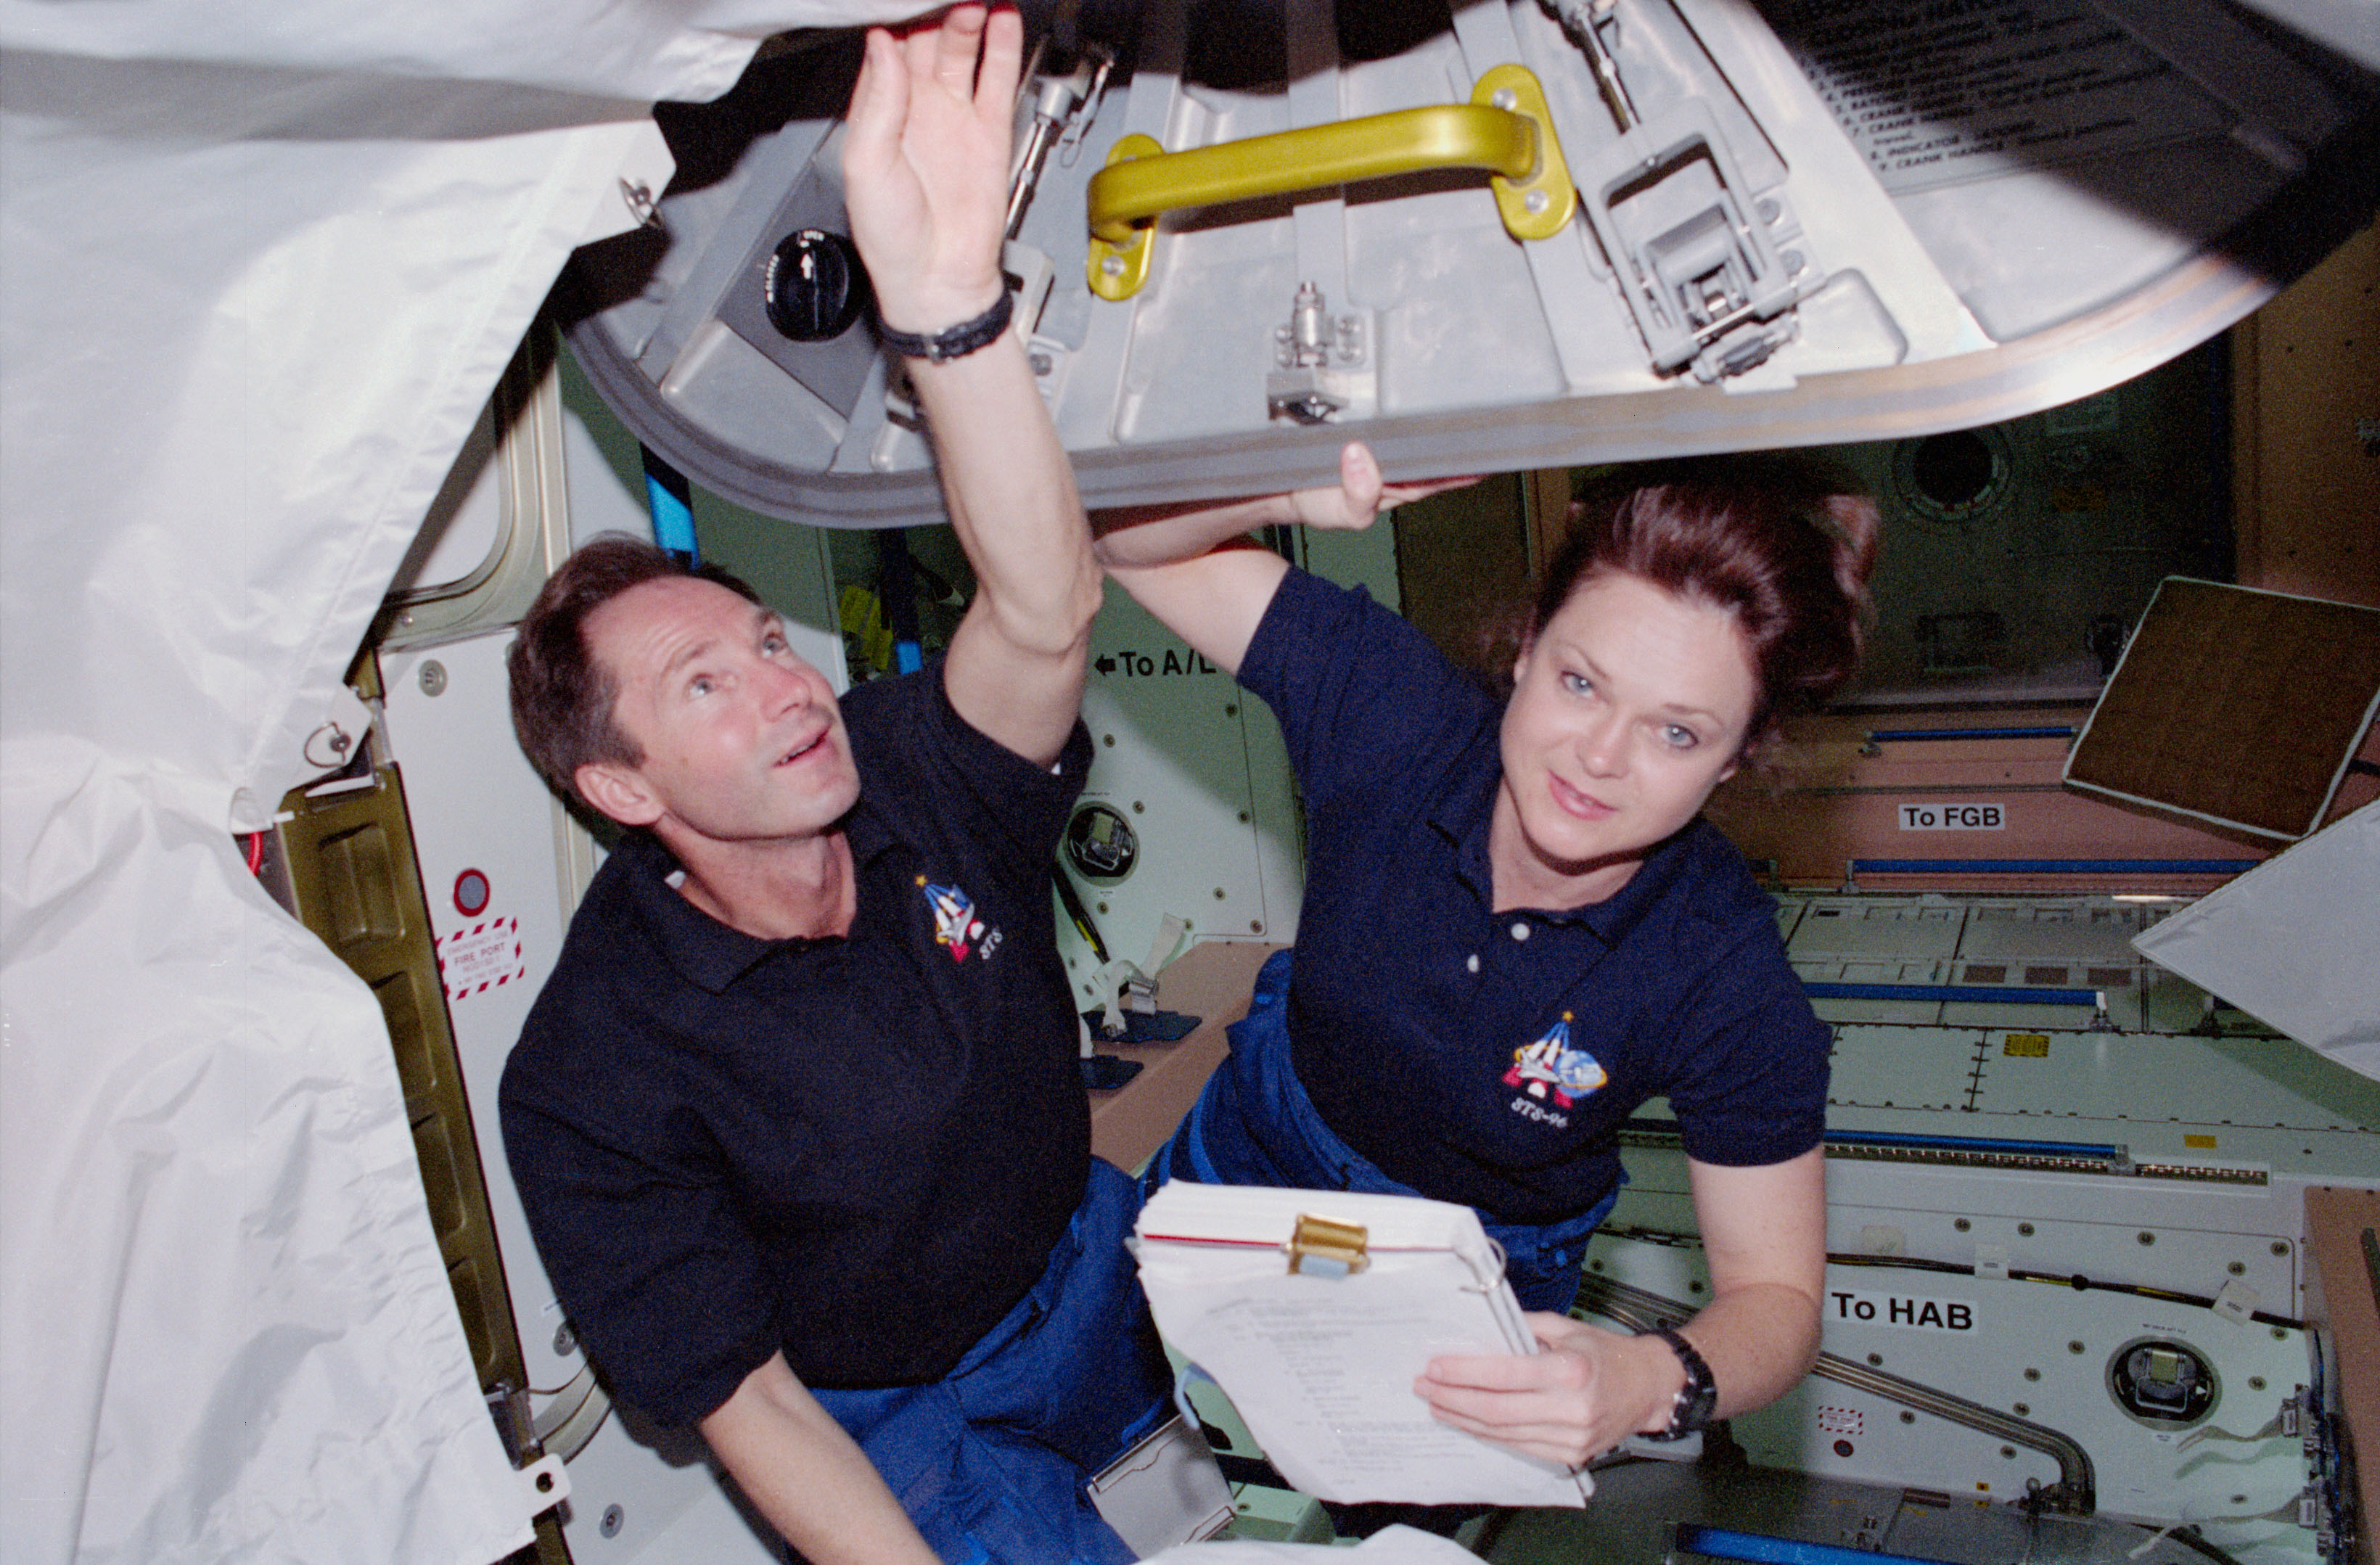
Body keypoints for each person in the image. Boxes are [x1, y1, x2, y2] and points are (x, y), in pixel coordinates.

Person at [496, 11, 1170, 1564]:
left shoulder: (902, 762)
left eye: (760, 638)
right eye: (705, 687)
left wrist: (950, 311)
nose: (784, 682)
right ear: (616, 782)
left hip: (1083, 1261)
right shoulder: (592, 1073)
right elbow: (749, 1403)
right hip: (901, 1415)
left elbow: (1041, 611)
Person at [1093, 441, 1878, 1474]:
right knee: (1100, 1380)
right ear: (1525, 648)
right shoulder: (1391, 711)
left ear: (1736, 756)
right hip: (1264, 1144)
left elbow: (1775, 1300)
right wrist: (1290, 492)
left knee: (1396, 1513)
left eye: (1677, 733)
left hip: (1476, 1259)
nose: (1600, 755)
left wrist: (1645, 1378)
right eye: (1581, 680)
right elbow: (1124, 540)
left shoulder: (1721, 974)